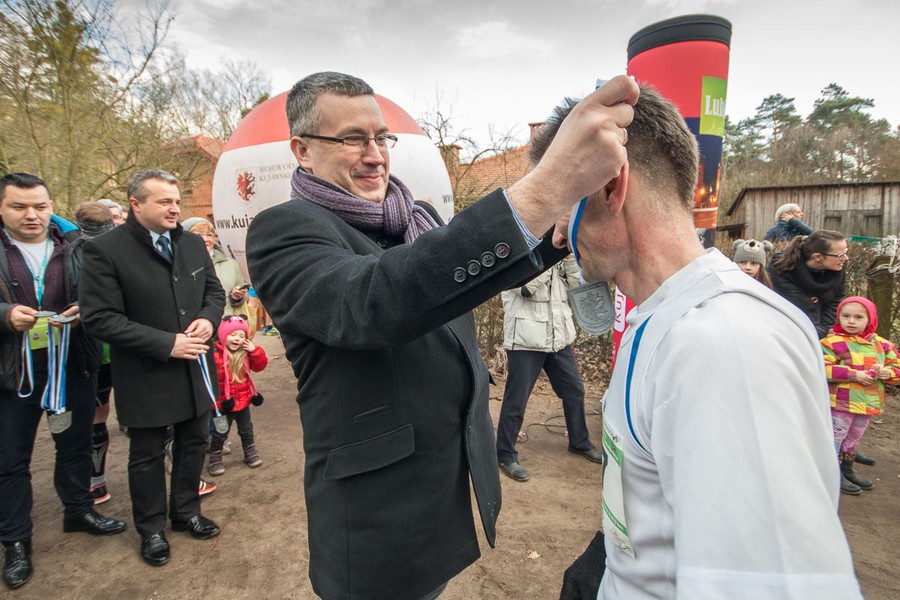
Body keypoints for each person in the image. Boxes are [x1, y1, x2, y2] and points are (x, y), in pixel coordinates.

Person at [246, 71, 636, 600]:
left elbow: (466, 276)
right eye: (353, 139)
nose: (375, 154)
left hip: (442, 483)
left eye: (382, 138)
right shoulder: (283, 231)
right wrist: (544, 188)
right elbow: (374, 301)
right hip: (377, 511)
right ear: (303, 151)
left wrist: (554, 230)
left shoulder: (417, 218)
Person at [542, 89, 861, 598]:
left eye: (559, 202)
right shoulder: (667, 317)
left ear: (610, 187)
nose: (555, 235)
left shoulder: (725, 344)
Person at [79, 169, 226, 567]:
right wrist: (166, 343)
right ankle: (152, 529)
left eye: (176, 201)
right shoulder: (105, 250)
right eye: (164, 201)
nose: (174, 208)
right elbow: (99, 318)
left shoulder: (193, 244)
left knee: (194, 443)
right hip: (146, 373)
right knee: (146, 455)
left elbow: (214, 291)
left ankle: (186, 513)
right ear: (135, 204)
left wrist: (210, 319)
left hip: (195, 368)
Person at [0, 175, 127, 591]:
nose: (32, 214)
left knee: (75, 443)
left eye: (39, 205)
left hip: (73, 361)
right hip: (13, 370)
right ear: (3, 208)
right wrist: (4, 315)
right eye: (20, 206)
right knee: (11, 460)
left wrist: (84, 307)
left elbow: (103, 293)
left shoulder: (76, 246)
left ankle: (79, 510)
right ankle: (16, 540)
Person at [496, 255, 602, 482]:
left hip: (558, 337)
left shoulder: (557, 257)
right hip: (526, 339)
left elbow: (577, 290)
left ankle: (579, 442)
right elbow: (524, 288)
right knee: (517, 399)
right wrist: (550, 259)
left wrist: (571, 261)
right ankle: (505, 454)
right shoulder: (519, 253)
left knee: (574, 390)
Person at [821, 296, 900, 495]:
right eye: (846, 316)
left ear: (870, 319)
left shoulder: (883, 345)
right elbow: (823, 368)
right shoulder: (831, 343)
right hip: (841, 402)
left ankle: (847, 467)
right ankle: (832, 472)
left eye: (858, 317)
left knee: (854, 436)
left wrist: (886, 373)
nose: (851, 321)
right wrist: (853, 374)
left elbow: (896, 368)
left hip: (868, 402)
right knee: (836, 436)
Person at [72, 201, 118, 505]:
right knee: (96, 414)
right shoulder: (72, 255)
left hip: (122, 347)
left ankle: (95, 482)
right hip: (95, 350)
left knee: (98, 415)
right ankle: (95, 481)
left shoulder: (123, 250)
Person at [207, 315, 268, 476]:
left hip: (244, 401)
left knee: (246, 429)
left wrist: (254, 351)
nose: (237, 339)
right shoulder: (214, 356)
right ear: (222, 335)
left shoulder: (245, 354)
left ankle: (250, 451)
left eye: (242, 336)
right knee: (220, 432)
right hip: (222, 405)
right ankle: (215, 456)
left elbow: (261, 365)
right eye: (233, 335)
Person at [767, 230, 848, 337]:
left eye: (846, 252)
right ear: (818, 257)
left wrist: (824, 331)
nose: (846, 258)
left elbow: (835, 302)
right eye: (840, 255)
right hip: (787, 333)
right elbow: (798, 308)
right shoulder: (780, 271)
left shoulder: (837, 271)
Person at [182, 218, 250, 322]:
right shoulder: (177, 263)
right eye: (198, 235)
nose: (205, 239)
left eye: (209, 235)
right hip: (191, 327)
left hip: (225, 328)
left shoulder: (230, 264)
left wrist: (237, 297)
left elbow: (243, 298)